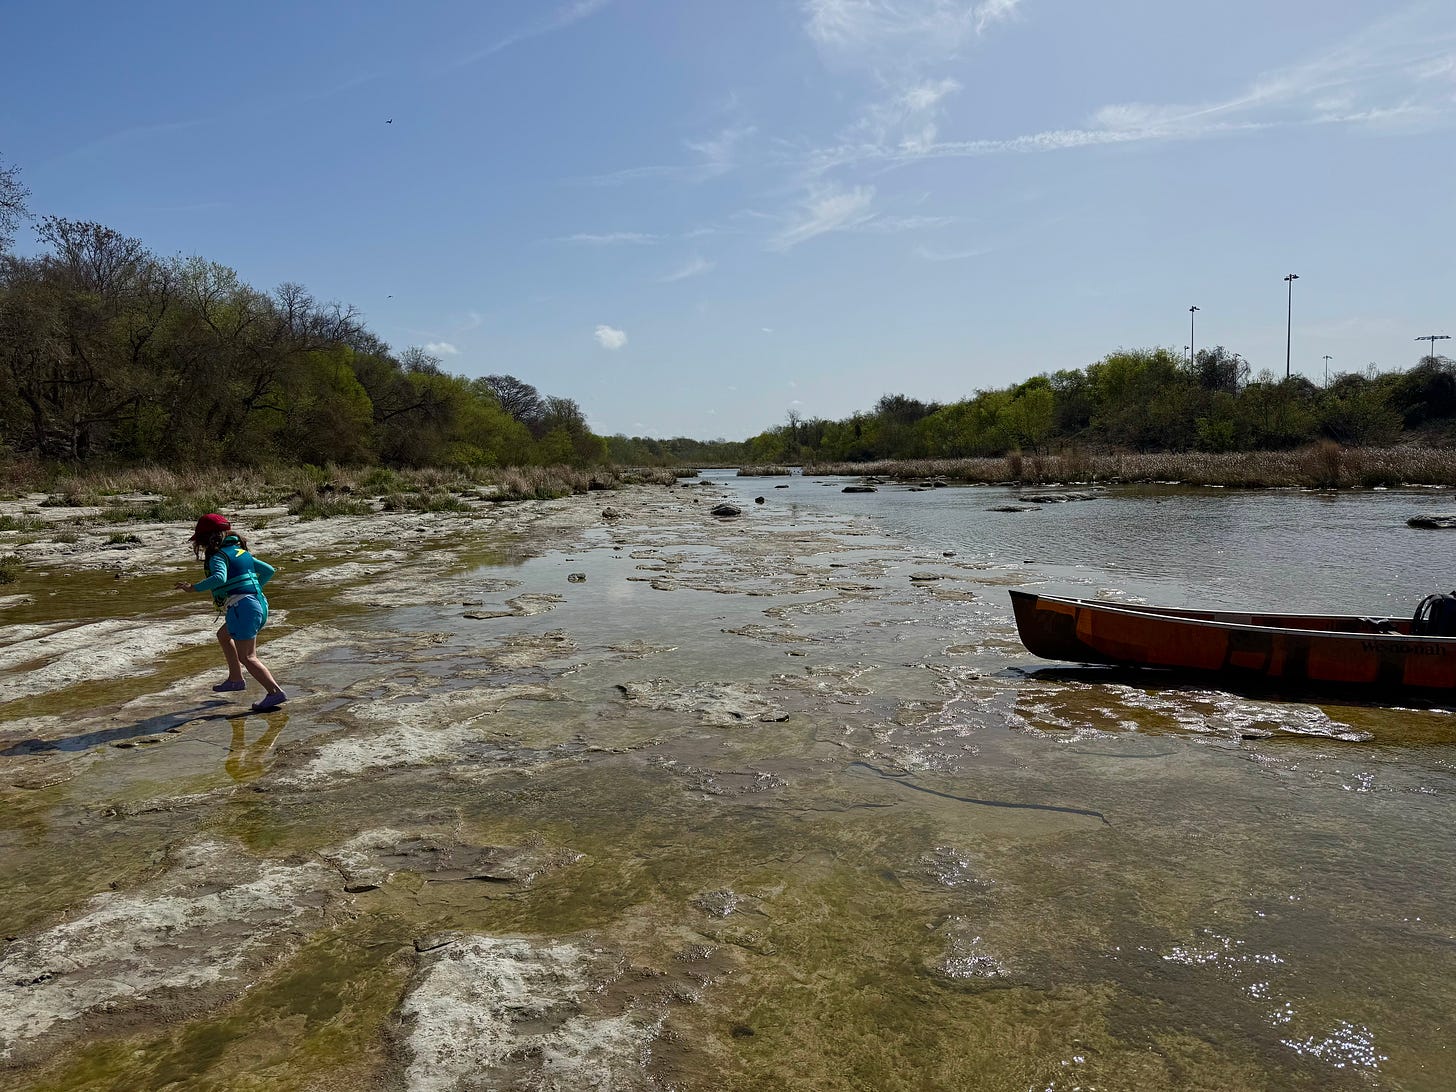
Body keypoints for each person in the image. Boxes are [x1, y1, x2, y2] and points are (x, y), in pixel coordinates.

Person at [175, 513, 288, 712]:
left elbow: (219, 578)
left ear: (206, 540)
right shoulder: (241, 552)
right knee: (223, 635)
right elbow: (269, 570)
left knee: (248, 657)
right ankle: (236, 679)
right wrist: (250, 590)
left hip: (243, 608)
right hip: (258, 604)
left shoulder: (219, 556)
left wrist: (193, 588)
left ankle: (274, 692)